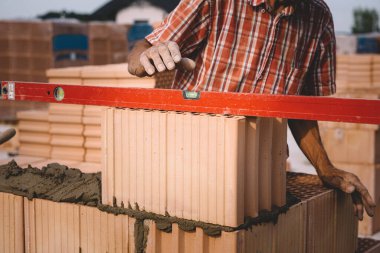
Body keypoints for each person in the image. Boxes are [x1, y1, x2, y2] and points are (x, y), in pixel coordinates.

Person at [128, 0, 376, 220]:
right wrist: (147, 56)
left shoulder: (317, 16)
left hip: (260, 173)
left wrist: (325, 168)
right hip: (189, 162)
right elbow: (140, 53)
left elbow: (302, 105)